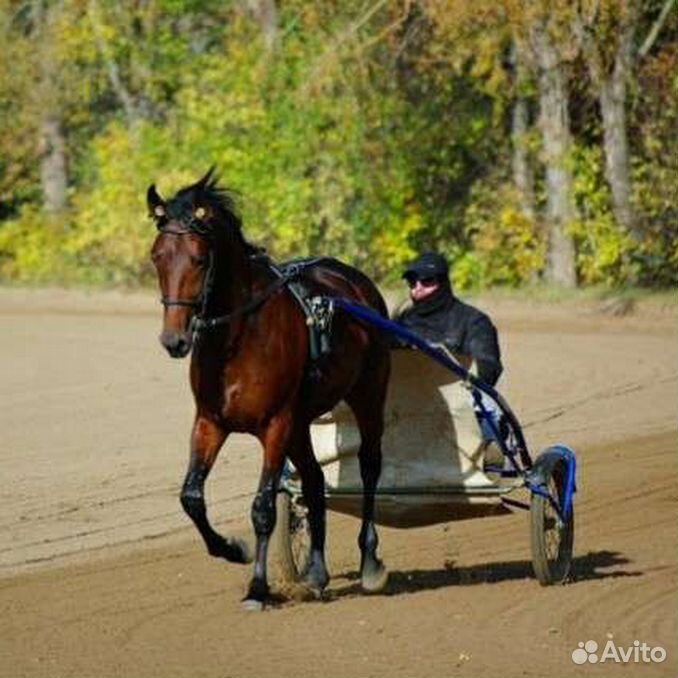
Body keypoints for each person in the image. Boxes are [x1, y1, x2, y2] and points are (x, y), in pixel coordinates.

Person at [395, 251, 503, 386]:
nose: (418, 288)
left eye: (427, 281)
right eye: (412, 282)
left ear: (443, 282)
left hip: (458, 401)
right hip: (405, 398)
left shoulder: (473, 322)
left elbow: (488, 370)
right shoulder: (401, 322)